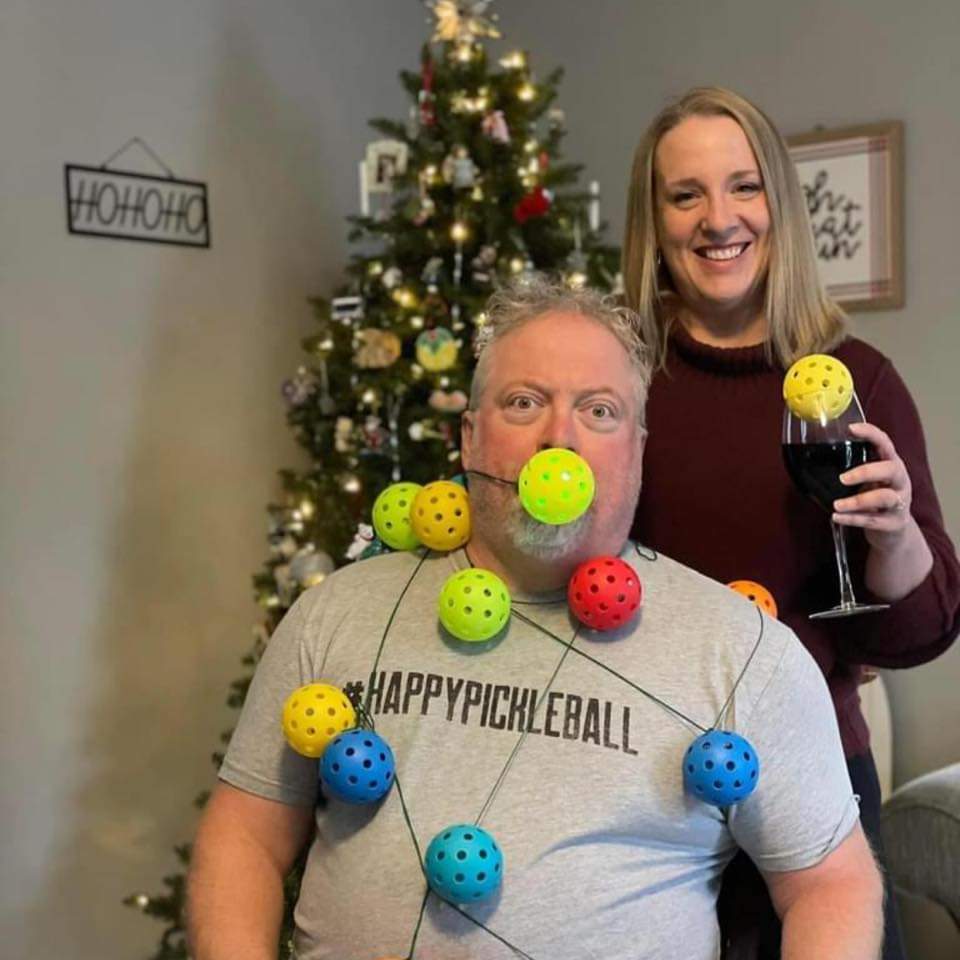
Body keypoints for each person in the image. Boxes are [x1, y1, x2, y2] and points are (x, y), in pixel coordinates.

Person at [187, 279, 883, 960]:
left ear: (637, 451)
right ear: (468, 439)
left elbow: (831, 882)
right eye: (524, 403)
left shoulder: (742, 649)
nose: (560, 440)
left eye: (600, 411)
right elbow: (244, 835)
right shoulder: (337, 612)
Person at [622, 86, 960, 960]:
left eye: (744, 187)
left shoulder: (856, 379)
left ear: (779, 202)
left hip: (812, 781)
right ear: (653, 222)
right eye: (685, 194)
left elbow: (920, 634)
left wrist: (896, 539)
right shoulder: (617, 379)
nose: (718, 218)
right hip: (638, 783)